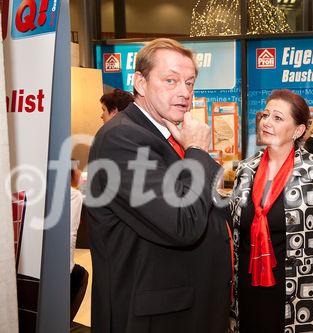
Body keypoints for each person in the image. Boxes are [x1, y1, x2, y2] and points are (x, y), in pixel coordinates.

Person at [86, 38, 231, 333]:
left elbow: (204, 196)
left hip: (182, 307)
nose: (184, 93)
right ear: (140, 82)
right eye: (170, 80)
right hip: (156, 316)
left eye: (189, 83)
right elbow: (182, 223)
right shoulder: (123, 139)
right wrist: (198, 152)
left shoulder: (161, 135)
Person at [229, 89, 313, 333]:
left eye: (278, 118)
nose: (267, 122)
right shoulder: (246, 170)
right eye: (266, 115)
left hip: (296, 294)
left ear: (298, 131)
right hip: (248, 291)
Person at [70, 159, 88, 322]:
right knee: (82, 275)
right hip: (67, 264)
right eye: (77, 170)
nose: (80, 172)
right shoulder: (74, 195)